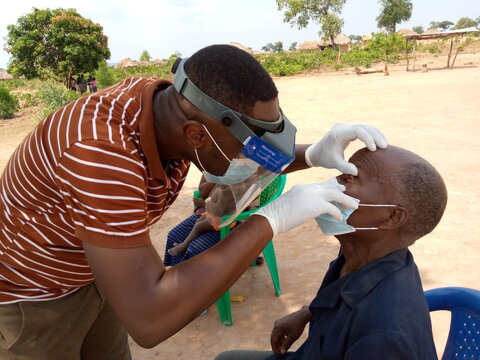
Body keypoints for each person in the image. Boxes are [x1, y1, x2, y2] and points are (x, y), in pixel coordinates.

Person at [0, 44, 387, 359]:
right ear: (196, 136)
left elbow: (235, 156)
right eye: (250, 151)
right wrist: (270, 220)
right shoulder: (99, 153)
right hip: (37, 296)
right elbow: (148, 319)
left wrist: (313, 154)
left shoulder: (168, 106)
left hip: (97, 271)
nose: (255, 163)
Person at [215, 145, 447, 360]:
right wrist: (309, 312)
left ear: (392, 217)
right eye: (343, 171)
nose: (334, 182)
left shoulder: (384, 340)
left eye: (353, 178)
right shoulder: (361, 253)